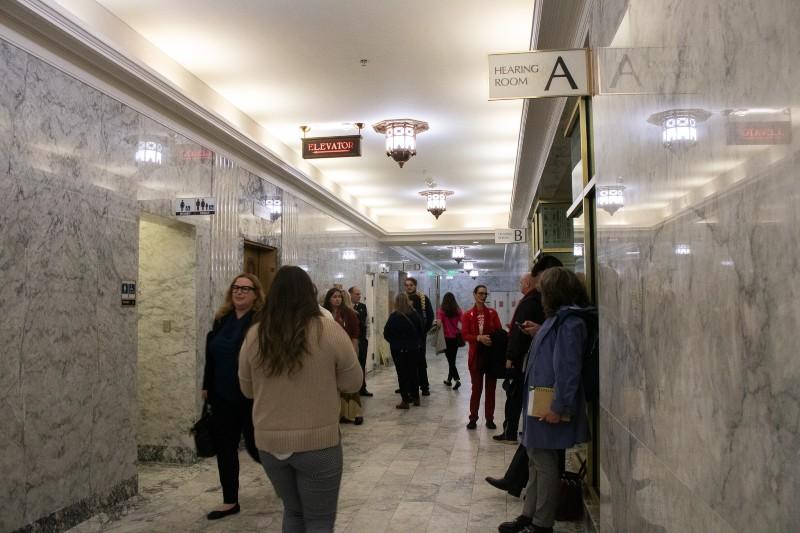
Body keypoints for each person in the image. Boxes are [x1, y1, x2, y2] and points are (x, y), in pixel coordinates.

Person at [238, 266, 362, 532]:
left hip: (270, 444)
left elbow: (247, 389)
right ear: (311, 293)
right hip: (318, 442)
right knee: (319, 520)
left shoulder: (255, 334)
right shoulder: (328, 331)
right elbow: (354, 382)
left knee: (293, 512)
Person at [498, 267, 592, 533]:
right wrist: (538, 331)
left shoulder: (571, 322)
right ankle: (529, 515)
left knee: (545, 463)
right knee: (534, 459)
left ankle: (541, 524)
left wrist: (558, 407)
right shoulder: (557, 320)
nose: (540, 297)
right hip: (538, 401)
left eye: (543, 291)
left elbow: (568, 369)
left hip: (549, 404)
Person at [486, 256, 564, 495]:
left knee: (538, 438)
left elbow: (564, 359)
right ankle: (520, 483)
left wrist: (511, 359)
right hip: (537, 373)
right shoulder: (540, 303)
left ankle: (532, 494)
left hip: (543, 379)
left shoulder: (542, 305)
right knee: (535, 439)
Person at [201, 273, 265, 520]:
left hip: (250, 395)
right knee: (225, 448)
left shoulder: (260, 321)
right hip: (221, 395)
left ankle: (287, 483)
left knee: (257, 446)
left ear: (256, 294)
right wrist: (206, 384)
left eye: (245, 289)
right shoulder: (222, 318)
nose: (239, 292)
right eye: (236, 288)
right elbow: (212, 353)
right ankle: (230, 501)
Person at [462, 284, 502, 429]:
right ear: (474, 294)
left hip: (491, 356)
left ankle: (489, 419)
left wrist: (492, 338)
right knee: (476, 389)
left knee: (491, 389)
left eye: (485, 294)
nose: (483, 296)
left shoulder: (492, 313)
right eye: (480, 293)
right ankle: (473, 418)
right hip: (476, 356)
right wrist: (478, 338)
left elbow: (499, 332)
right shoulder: (467, 315)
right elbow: (465, 334)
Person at [323, 287, 364, 425]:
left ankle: (356, 413)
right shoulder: (323, 313)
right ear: (329, 298)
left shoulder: (348, 313)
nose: (337, 299)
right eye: (334, 297)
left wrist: (352, 352)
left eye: (339, 297)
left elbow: (354, 334)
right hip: (328, 353)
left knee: (350, 381)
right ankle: (340, 414)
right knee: (334, 385)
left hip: (346, 351)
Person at [383, 293, 424, 409]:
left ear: (396, 302)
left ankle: (405, 400)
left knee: (402, 374)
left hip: (398, 350)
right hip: (413, 349)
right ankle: (416, 398)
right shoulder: (415, 315)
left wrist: (395, 342)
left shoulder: (394, 316)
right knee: (413, 373)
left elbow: (386, 333)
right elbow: (421, 331)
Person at [404, 277, 434, 396]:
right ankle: (408, 386)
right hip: (406, 337)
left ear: (415, 285)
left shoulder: (422, 298)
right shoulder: (403, 299)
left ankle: (424, 387)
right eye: (406, 285)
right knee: (407, 363)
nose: (409, 287)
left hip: (420, 336)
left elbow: (430, 316)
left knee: (420, 361)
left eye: (411, 285)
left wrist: (424, 331)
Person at [436, 292, 463, 390]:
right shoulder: (458, 310)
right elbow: (462, 322)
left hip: (446, 339)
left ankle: (457, 380)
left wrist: (439, 322)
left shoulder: (441, 311)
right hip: (455, 338)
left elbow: (438, 324)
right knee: (452, 360)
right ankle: (448, 380)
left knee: (451, 361)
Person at [349, 286, 373, 397]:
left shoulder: (363, 307)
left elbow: (368, 323)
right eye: (356, 294)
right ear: (350, 295)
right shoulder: (347, 308)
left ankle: (363, 388)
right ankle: (353, 389)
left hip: (362, 340)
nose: (359, 296)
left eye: (359, 294)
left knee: (362, 364)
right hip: (350, 341)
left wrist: (367, 337)